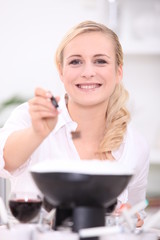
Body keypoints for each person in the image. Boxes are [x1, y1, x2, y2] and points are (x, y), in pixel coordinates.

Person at [0, 20, 149, 227]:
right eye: (76, 62)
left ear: (118, 72)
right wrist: (37, 133)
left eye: (100, 61)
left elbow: (134, 213)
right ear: (61, 72)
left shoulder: (135, 145)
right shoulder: (32, 117)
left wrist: (134, 220)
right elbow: (5, 161)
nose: (88, 72)